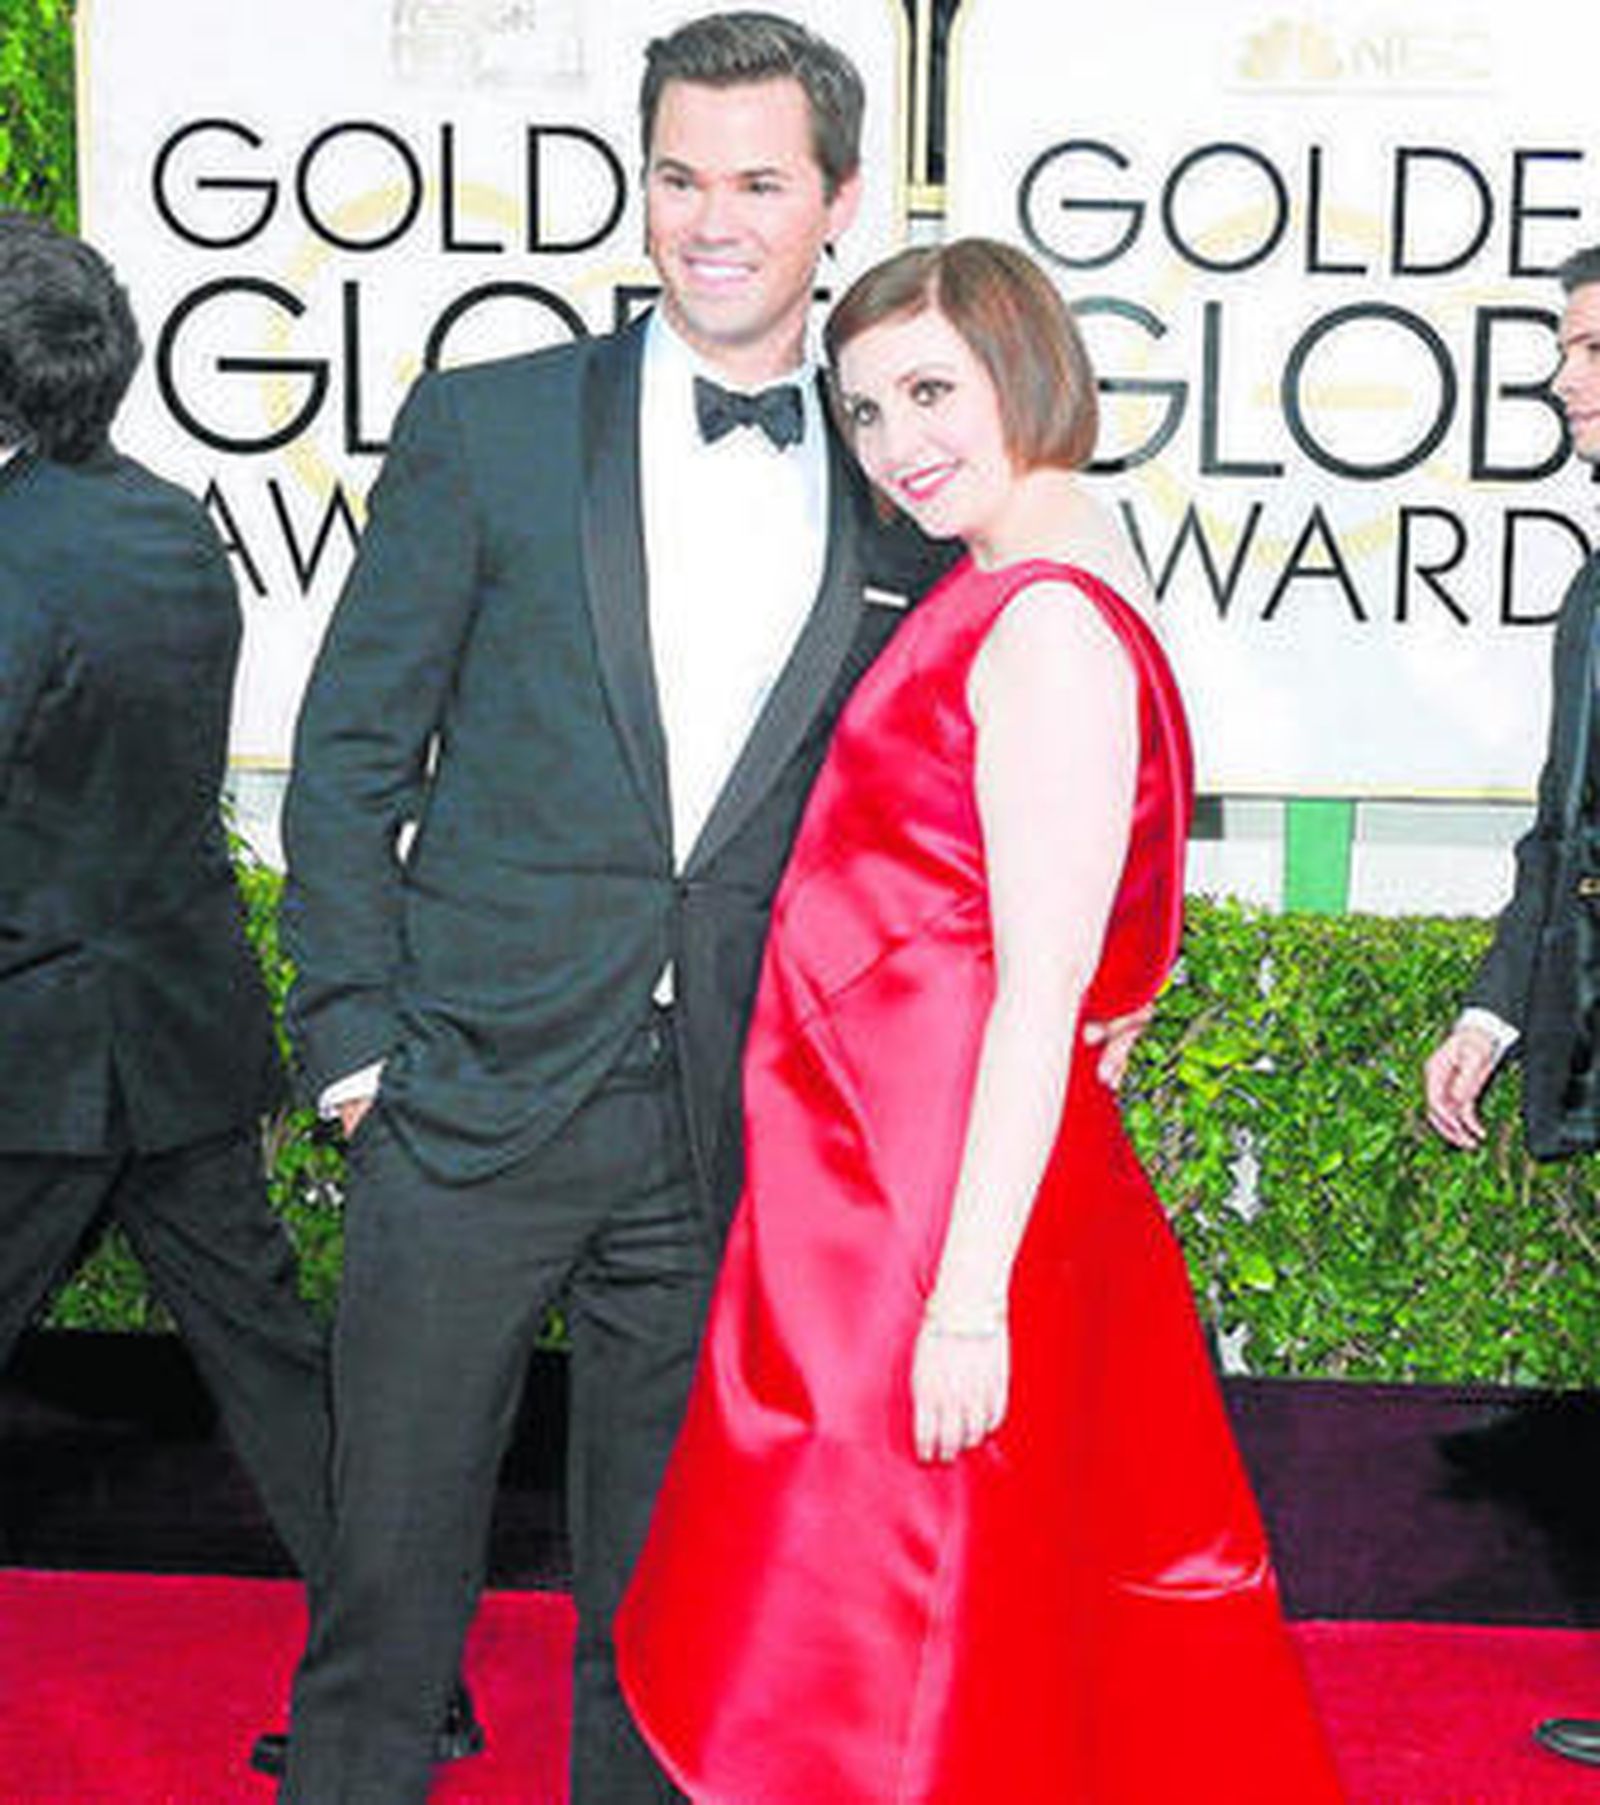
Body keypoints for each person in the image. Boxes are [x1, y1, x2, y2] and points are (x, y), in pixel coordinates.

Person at [270, 14, 958, 1803]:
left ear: (838, 204)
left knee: (663, 1630)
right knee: (385, 1593)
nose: (709, 220)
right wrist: (351, 1043)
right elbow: (348, 752)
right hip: (461, 1104)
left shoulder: (898, 478)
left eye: (755, 182)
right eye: (676, 177)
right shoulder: (490, 426)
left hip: (726, 1132)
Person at [617, 237, 1345, 1803]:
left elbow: (1041, 988)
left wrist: (965, 1301)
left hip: (929, 1218)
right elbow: (1092, 976)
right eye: (868, 411)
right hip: (884, 1198)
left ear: (1030, 367)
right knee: (910, 1621)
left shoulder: (1046, 628)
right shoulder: (1009, 596)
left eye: (931, 390)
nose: (899, 444)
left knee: (898, 1633)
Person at [0, 211, 332, 1703]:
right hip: (176, 1027)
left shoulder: (10, 556)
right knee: (272, 1362)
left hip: (40, 1046)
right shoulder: (165, 523)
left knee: (272, 1360)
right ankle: (408, 1669)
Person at [1424, 241, 1600, 1771]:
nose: (1564, 377)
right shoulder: (1596, 583)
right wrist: (1496, 1009)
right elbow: (1563, 834)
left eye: (1593, 348)